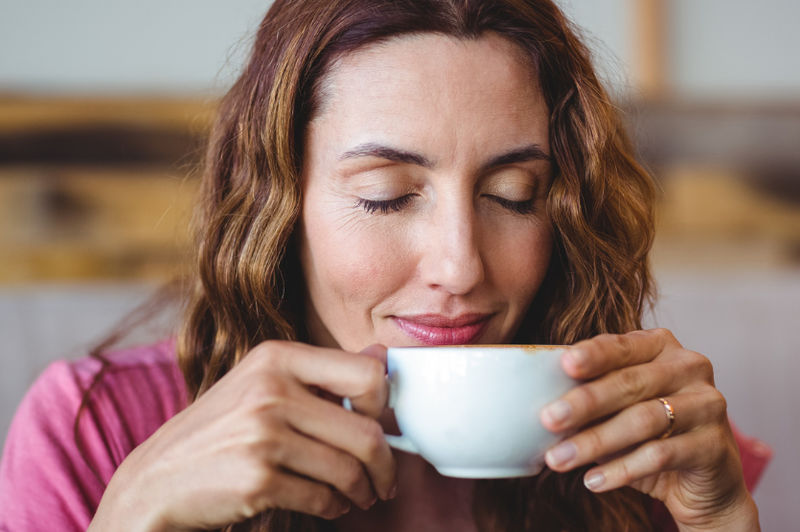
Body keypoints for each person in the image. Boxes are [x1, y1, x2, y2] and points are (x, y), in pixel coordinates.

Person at [0, 0, 771, 531]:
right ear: (279, 205)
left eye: (514, 194)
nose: (460, 266)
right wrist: (133, 512)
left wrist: (723, 521)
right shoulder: (99, 429)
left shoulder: (647, 438)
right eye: (386, 197)